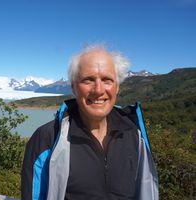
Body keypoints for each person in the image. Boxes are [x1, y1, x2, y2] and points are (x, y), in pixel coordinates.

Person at [21, 45, 159, 200]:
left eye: (107, 80)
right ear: (74, 87)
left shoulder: (134, 134)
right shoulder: (47, 139)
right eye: (88, 80)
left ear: (117, 87)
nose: (98, 90)